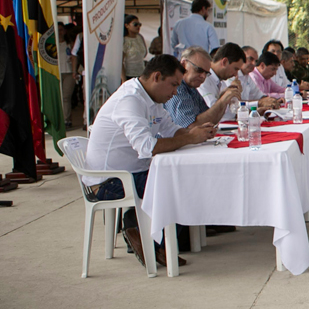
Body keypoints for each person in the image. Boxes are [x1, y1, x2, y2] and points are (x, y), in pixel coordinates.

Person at [84, 55, 216, 267]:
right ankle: (147, 236)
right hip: (110, 182)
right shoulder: (129, 100)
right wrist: (189, 138)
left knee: (186, 180)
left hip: (133, 173)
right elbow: (147, 147)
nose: (175, 92)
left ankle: (150, 236)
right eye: (173, 84)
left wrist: (196, 133)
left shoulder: (152, 99)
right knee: (177, 185)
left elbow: (171, 130)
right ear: (156, 77)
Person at [165, 47, 244, 128]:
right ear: (184, 64)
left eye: (206, 73)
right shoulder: (177, 88)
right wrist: (222, 100)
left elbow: (211, 120)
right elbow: (190, 127)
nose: (203, 76)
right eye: (198, 70)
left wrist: (224, 100)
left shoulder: (192, 88)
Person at [122, 15, 147, 82]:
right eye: (135, 24)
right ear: (127, 25)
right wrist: (123, 79)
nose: (138, 27)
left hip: (142, 74)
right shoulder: (124, 40)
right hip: (129, 75)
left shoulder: (140, 37)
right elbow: (121, 62)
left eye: (139, 24)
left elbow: (144, 54)